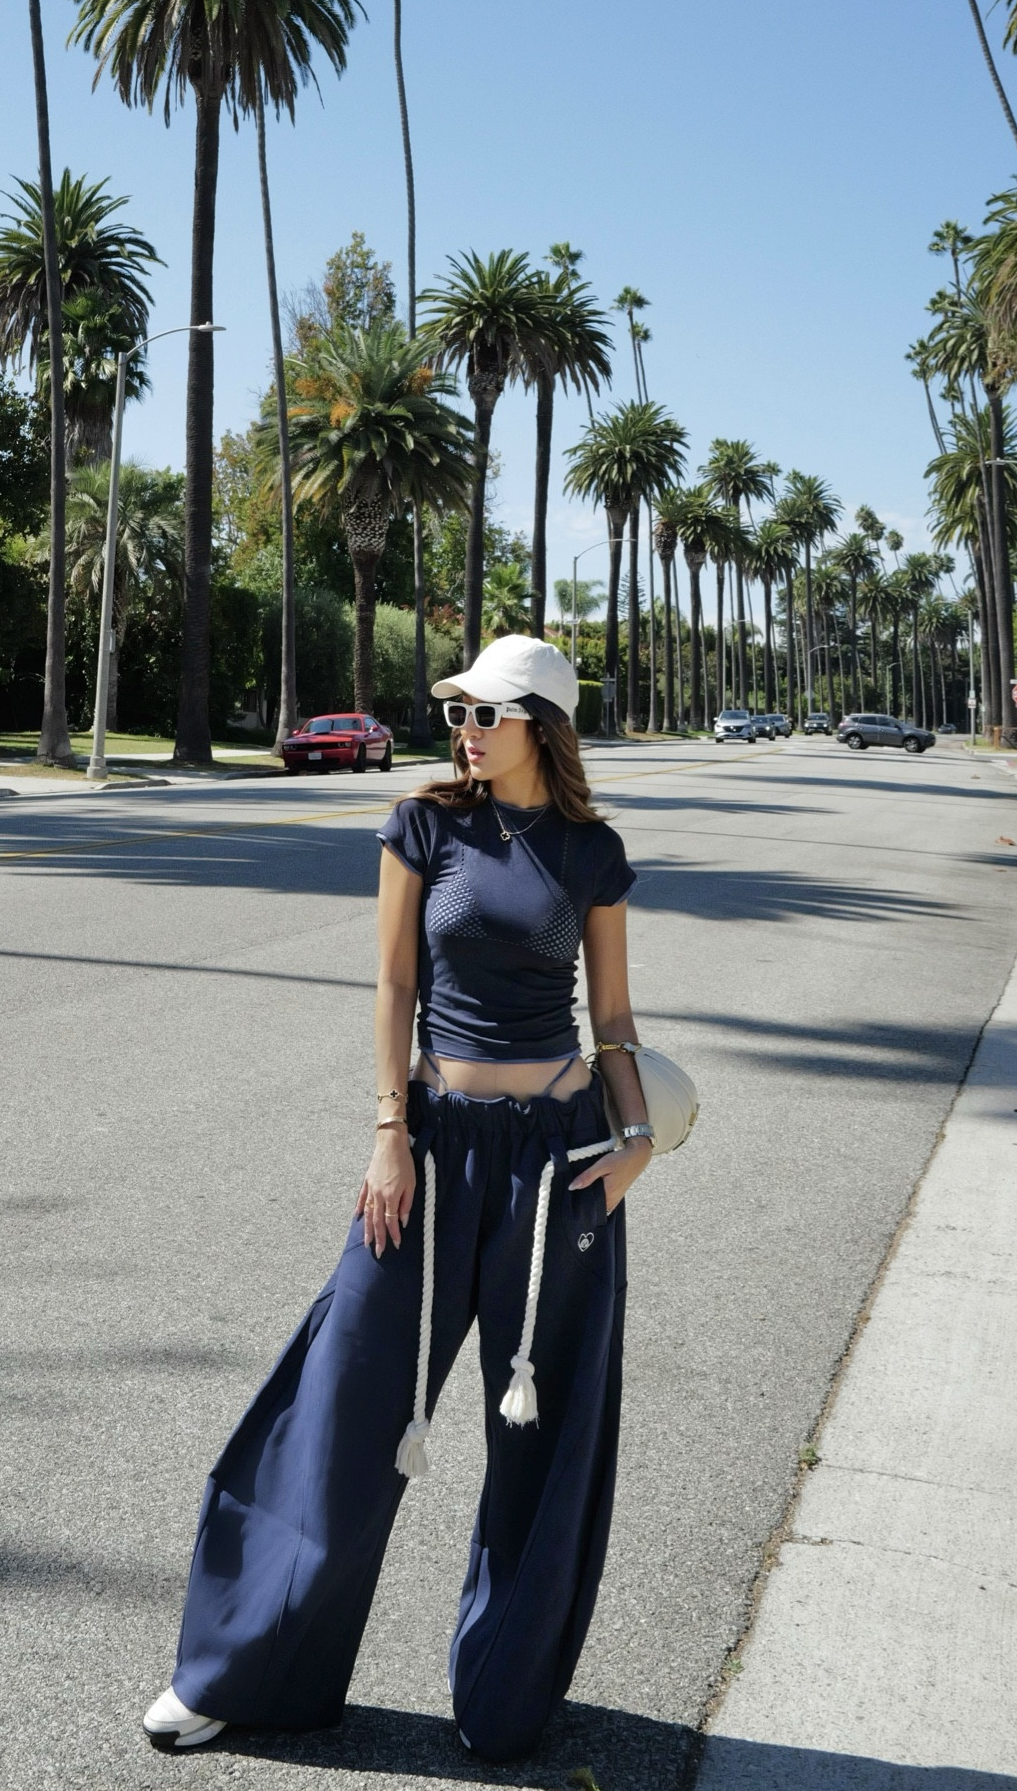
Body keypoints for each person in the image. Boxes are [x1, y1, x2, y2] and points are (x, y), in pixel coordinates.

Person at [142, 634, 653, 1762]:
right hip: (431, 1141)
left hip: (561, 1160)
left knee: (544, 1433)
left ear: (540, 727)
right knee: (342, 1401)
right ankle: (240, 1667)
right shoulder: (424, 825)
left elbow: (613, 1021)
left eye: (486, 713)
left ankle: (506, 1698)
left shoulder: (591, 852)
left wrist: (639, 1142)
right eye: (459, 711)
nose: (463, 729)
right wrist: (388, 1133)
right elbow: (392, 982)